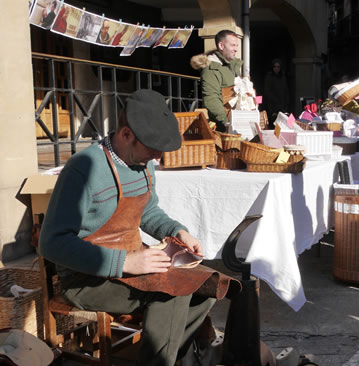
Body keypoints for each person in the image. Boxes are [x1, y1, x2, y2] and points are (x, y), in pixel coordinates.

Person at [39, 89, 218, 365]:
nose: (158, 157)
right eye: (153, 148)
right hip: (86, 279)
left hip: (132, 262)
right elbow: (51, 243)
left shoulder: (143, 162)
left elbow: (148, 211)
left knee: (208, 286)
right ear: (126, 135)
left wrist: (178, 232)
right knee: (171, 296)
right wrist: (125, 262)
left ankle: (167, 357)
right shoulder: (82, 169)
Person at [191, 29, 243, 131]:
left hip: (238, 123)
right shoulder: (211, 68)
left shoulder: (232, 66)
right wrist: (227, 124)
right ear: (221, 46)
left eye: (236, 45)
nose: (236, 49)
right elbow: (211, 99)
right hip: (224, 128)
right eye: (233, 45)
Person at [263, 58, 289, 126]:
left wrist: (285, 104)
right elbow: (267, 91)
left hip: (282, 104)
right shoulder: (269, 77)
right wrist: (274, 100)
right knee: (273, 123)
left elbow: (285, 91)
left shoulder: (283, 77)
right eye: (275, 66)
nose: (276, 68)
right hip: (272, 105)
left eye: (278, 67)